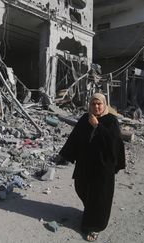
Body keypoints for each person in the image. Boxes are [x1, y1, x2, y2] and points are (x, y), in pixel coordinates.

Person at [57, 93, 125, 242]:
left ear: (104, 104)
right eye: (93, 104)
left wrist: (97, 126)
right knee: (81, 187)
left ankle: (94, 226)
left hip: (103, 166)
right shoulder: (85, 118)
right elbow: (74, 137)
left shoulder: (111, 120)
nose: (96, 107)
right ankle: (90, 211)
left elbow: (114, 143)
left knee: (100, 197)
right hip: (85, 163)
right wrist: (64, 155)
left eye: (99, 104)